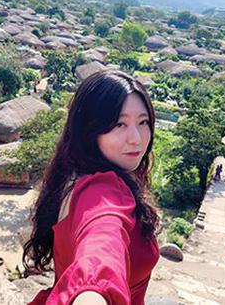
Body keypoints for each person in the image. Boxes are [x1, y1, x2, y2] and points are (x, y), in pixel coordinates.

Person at [24, 70, 160, 305]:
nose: (136, 138)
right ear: (89, 130)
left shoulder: (73, 174)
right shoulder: (102, 191)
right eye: (119, 124)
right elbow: (101, 245)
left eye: (143, 122)